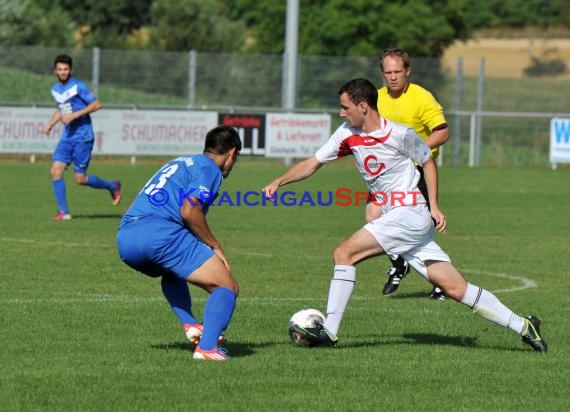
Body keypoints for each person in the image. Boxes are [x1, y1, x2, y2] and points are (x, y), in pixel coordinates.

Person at [262, 78, 547, 353]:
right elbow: (313, 163)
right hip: (403, 220)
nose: (341, 112)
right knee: (456, 288)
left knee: (344, 253)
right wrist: (279, 181)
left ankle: (331, 330)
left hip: (409, 213)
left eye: (345, 107)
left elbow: (427, 162)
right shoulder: (347, 134)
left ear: (363, 106)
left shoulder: (400, 134)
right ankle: (524, 327)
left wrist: (434, 205)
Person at [116, 125, 241, 361]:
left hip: (126, 237)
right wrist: (216, 246)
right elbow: (189, 210)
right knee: (227, 287)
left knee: (172, 270)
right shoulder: (209, 169)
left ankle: (191, 324)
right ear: (232, 153)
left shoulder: (178, 163)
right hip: (159, 234)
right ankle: (207, 349)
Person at [370, 48, 449, 299]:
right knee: (373, 214)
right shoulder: (377, 99)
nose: (392, 77)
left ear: (407, 71)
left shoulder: (421, 97)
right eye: (387, 72)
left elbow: (442, 131)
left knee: (420, 231)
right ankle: (399, 261)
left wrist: (415, 151)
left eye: (397, 71)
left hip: (416, 173)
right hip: (386, 176)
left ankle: (440, 281)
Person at [42, 54, 121, 221]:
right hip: (67, 136)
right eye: (60, 69)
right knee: (55, 171)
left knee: (80, 179)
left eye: (66, 69)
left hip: (83, 136)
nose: (63, 72)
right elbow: (61, 109)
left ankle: (112, 186)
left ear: (71, 70)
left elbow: (97, 104)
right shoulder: (55, 89)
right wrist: (51, 124)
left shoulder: (78, 86)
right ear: (55, 70)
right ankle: (64, 213)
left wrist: (76, 115)